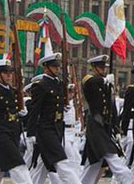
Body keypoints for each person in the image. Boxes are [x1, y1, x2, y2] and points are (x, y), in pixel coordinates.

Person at [26, 53, 83, 184]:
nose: (57, 69)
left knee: (42, 167)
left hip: (57, 129)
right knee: (62, 163)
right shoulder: (40, 86)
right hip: (45, 130)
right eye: (54, 66)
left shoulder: (58, 84)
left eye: (58, 66)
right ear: (46, 68)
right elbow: (35, 111)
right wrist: (31, 133)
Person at [79, 55, 134, 184]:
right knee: (111, 155)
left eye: (104, 67)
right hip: (95, 126)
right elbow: (89, 83)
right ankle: (128, 180)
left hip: (105, 127)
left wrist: (116, 129)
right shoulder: (91, 80)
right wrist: (103, 81)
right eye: (100, 67)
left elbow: (112, 109)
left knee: (94, 163)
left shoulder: (107, 85)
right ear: (93, 68)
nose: (103, 70)